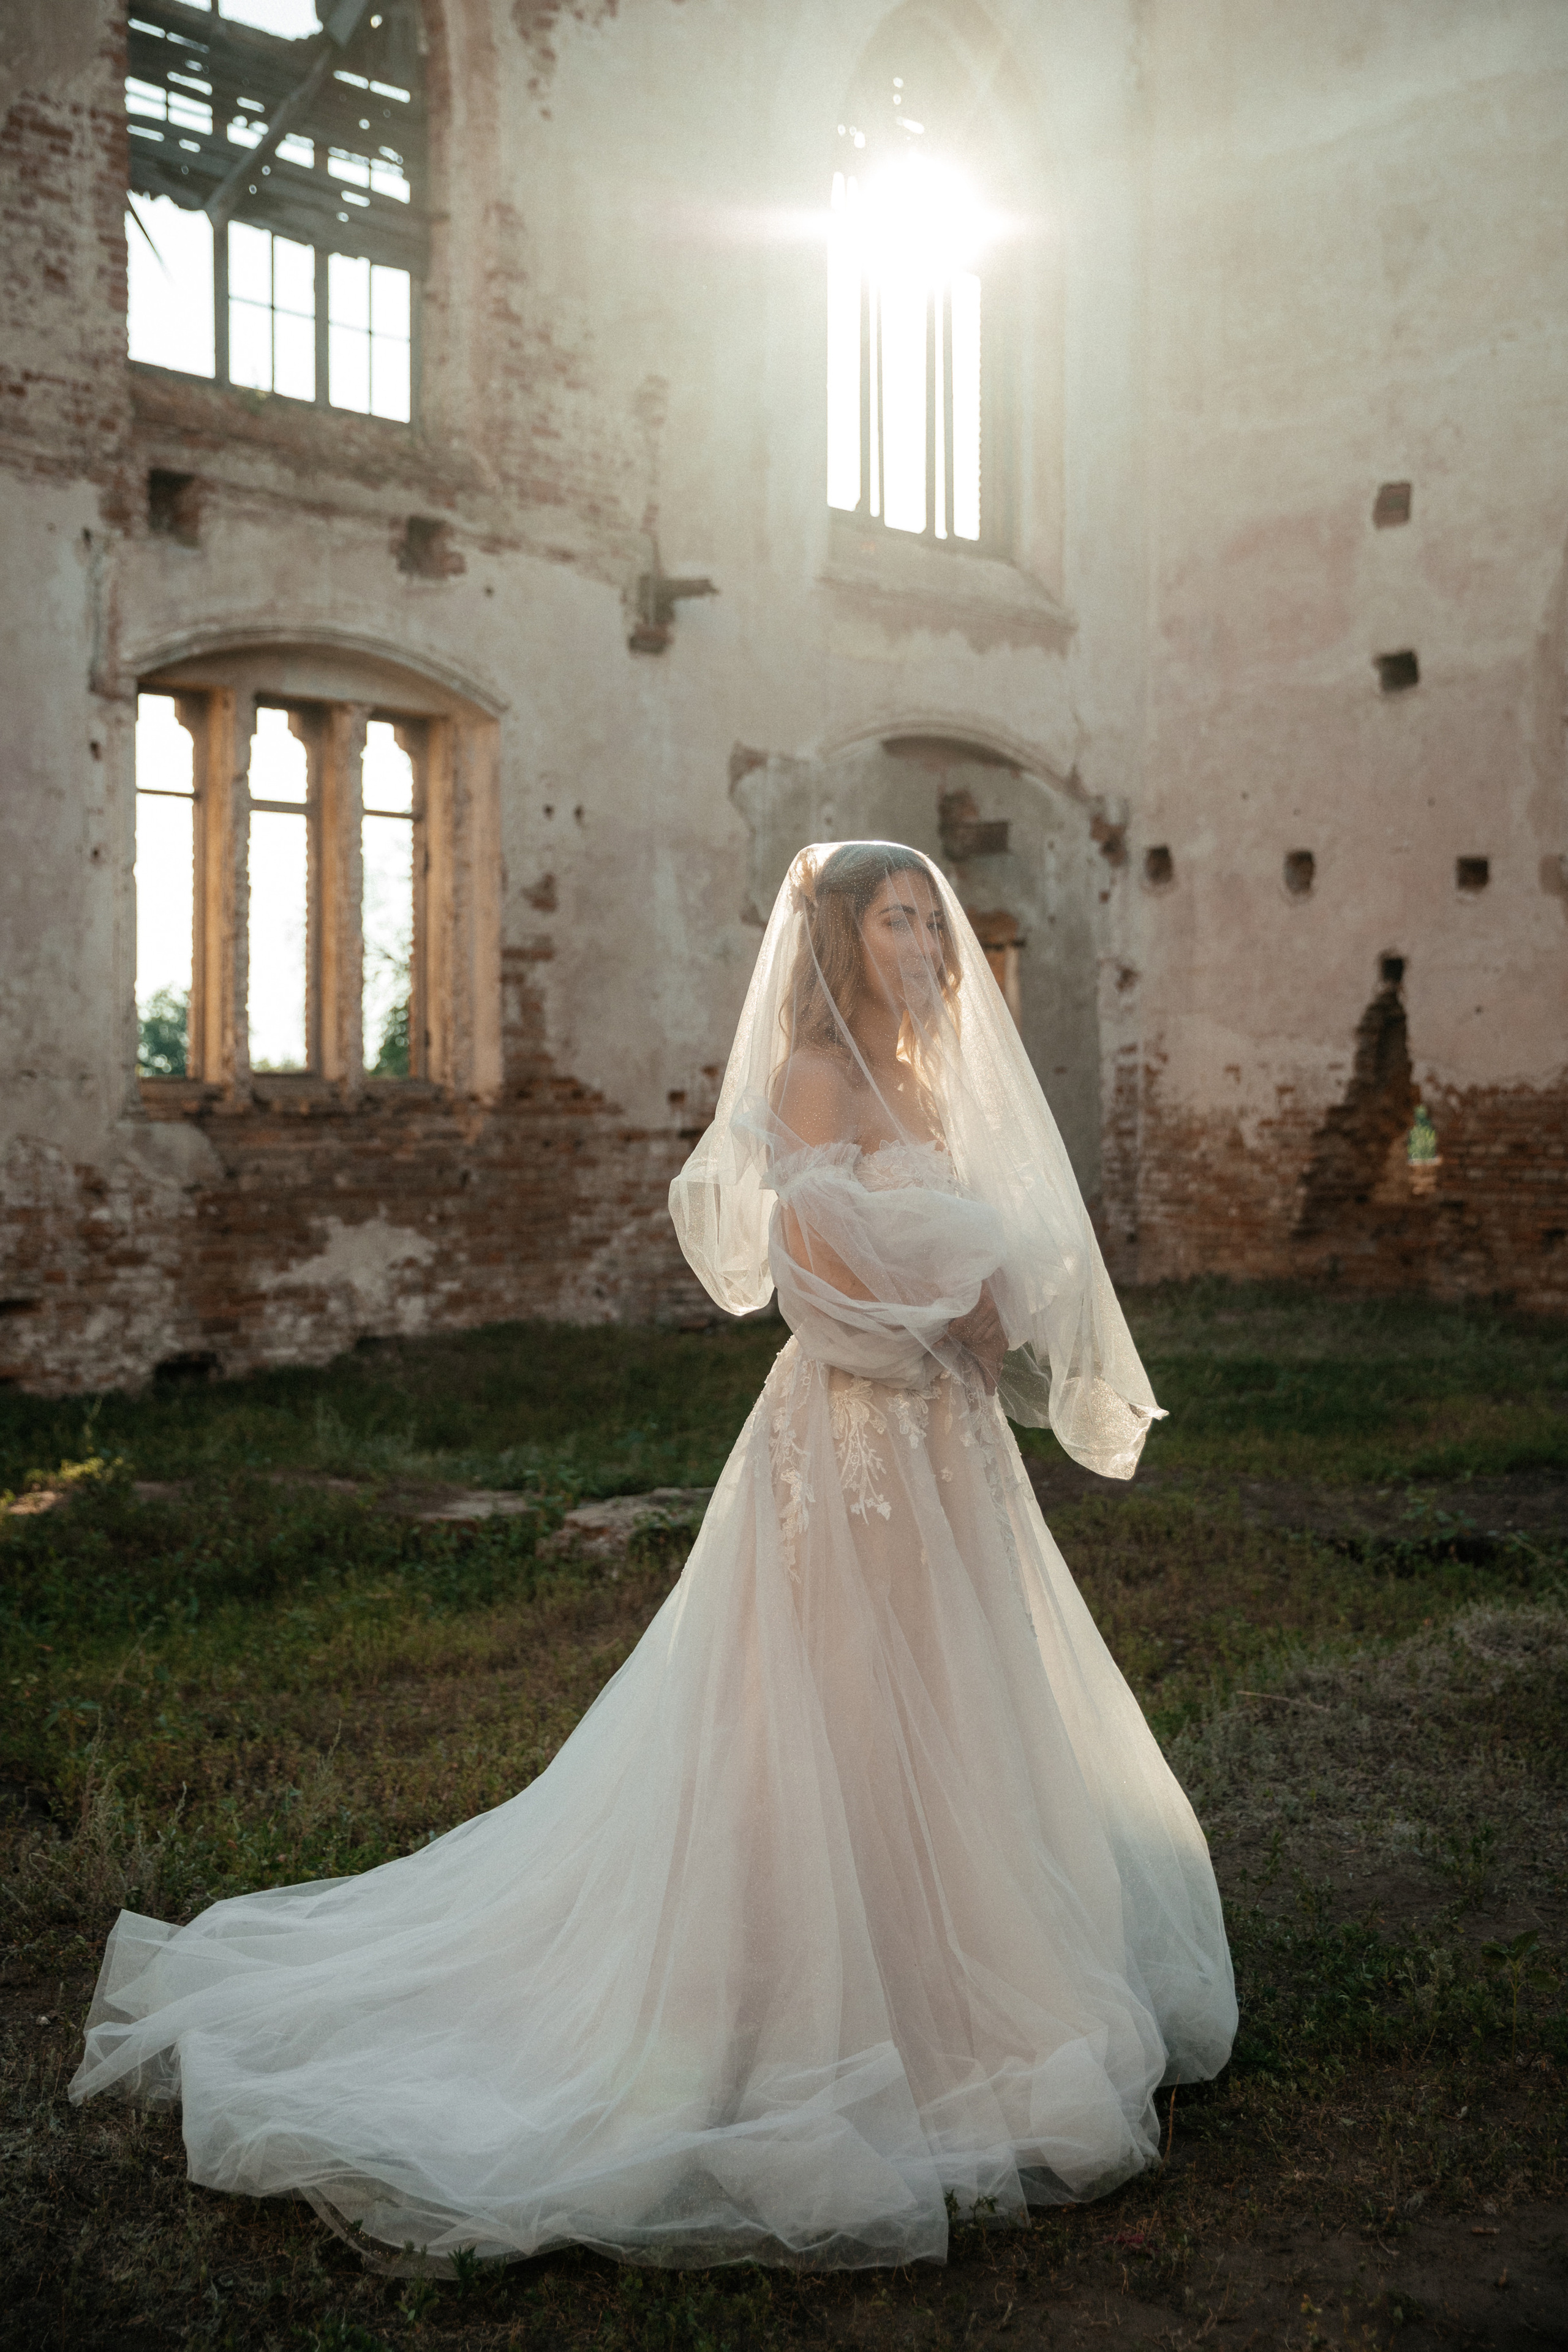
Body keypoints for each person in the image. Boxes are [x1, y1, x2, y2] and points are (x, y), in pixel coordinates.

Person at [70, 842, 1235, 2273]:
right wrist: (951, 1303)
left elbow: (981, 1248)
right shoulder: (811, 1077)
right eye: (896, 916)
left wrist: (986, 1303)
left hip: (948, 1451)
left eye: (932, 916)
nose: (926, 939)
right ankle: (798, 1999)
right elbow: (818, 1287)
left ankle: (965, 1978)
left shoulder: (928, 1080)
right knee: (826, 1704)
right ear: (838, 935)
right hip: (853, 1439)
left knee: (954, 1687)